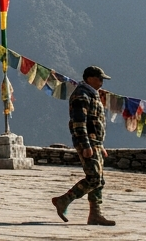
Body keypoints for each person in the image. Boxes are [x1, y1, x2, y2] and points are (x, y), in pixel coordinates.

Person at [52, 66, 115, 226]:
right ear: (89, 78)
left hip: (96, 143)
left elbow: (95, 122)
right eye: (99, 78)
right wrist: (86, 144)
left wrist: (99, 145)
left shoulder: (92, 95)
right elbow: (79, 122)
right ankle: (64, 200)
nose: (101, 82)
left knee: (99, 180)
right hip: (87, 142)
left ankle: (95, 214)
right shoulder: (81, 95)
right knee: (93, 178)